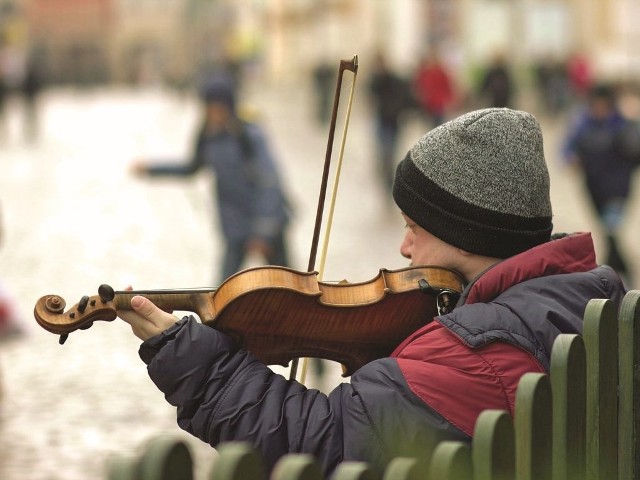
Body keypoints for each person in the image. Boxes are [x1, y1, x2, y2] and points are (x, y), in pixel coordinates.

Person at [119, 108, 626, 476]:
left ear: (468, 232)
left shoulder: (478, 353)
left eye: (414, 227)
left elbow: (323, 444)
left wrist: (196, 364)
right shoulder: (581, 298)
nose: (404, 248)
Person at [134, 76, 292, 283]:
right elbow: (191, 167)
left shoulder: (248, 135)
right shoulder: (208, 136)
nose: (214, 112)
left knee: (288, 287)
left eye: (219, 107)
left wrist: (263, 232)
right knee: (222, 292)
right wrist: (151, 169)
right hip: (234, 226)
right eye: (210, 107)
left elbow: (269, 182)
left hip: (267, 225)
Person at [562, 83, 637, 287]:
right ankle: (616, 273)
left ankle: (616, 275)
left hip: (618, 190)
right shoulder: (582, 124)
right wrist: (570, 158)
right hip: (594, 189)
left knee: (611, 231)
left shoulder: (622, 124)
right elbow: (567, 148)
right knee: (607, 231)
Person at [368, 52, 410, 195]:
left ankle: (389, 178)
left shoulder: (395, 80)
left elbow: (405, 97)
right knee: (383, 151)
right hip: (381, 121)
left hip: (393, 121)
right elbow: (371, 95)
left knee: (390, 151)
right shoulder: (376, 80)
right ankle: (385, 175)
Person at [411, 52, 455, 127]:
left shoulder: (440, 72)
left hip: (438, 103)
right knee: (429, 125)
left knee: (438, 125)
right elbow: (418, 86)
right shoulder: (424, 73)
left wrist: (449, 99)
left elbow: (448, 86)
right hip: (427, 104)